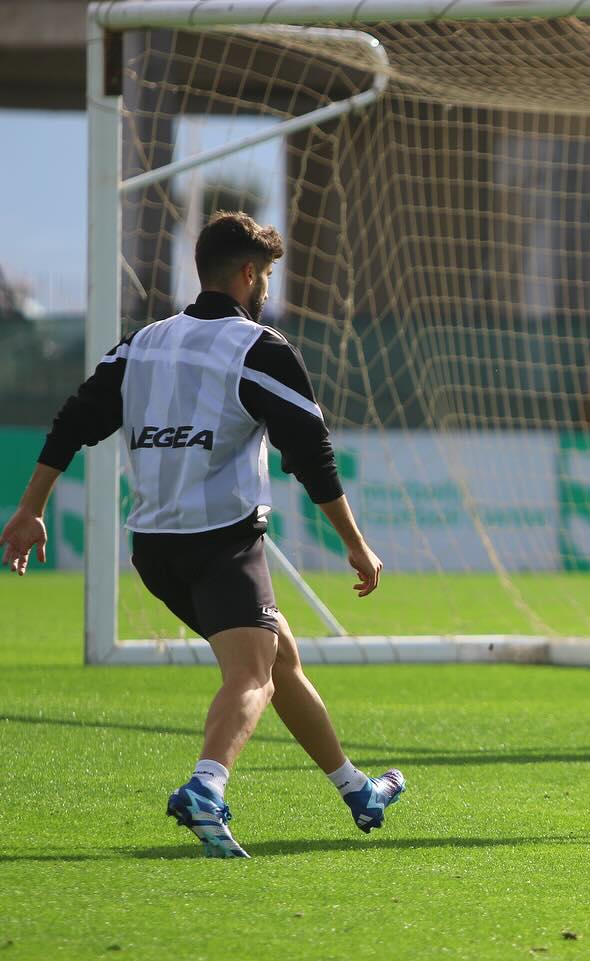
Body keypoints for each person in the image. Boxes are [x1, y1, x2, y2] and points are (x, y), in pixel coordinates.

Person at [1, 211, 405, 858]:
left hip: (154, 548)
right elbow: (311, 454)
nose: (267, 286)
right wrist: (355, 543)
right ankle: (206, 788)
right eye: (266, 275)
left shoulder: (142, 343)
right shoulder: (259, 348)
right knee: (253, 675)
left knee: (279, 659)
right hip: (222, 543)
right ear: (248, 274)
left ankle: (358, 790)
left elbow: (73, 422)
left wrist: (30, 508)